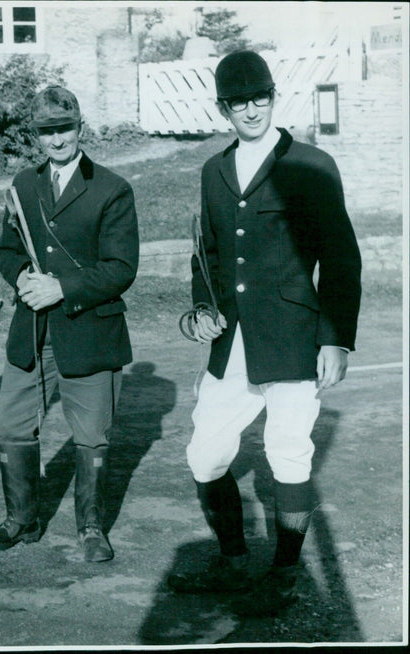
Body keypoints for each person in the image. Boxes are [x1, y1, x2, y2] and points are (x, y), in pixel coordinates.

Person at [167, 51, 362, 616]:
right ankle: (231, 559)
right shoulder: (213, 171)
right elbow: (206, 255)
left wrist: (336, 338)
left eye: (260, 98)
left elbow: (340, 257)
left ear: (273, 99)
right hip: (233, 342)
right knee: (205, 455)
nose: (250, 110)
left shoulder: (311, 164)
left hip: (296, 338)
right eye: (238, 102)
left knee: (288, 454)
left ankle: (284, 573)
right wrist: (202, 305)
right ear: (222, 108)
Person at [0, 86, 139, 562]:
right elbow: (7, 249)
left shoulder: (112, 188)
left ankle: (91, 527)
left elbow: (121, 267)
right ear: (37, 136)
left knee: (90, 434)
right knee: (10, 423)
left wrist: (63, 288)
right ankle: (21, 520)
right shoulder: (23, 186)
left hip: (88, 329)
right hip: (33, 328)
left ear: (80, 128)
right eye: (46, 131)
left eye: (64, 128)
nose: (56, 139)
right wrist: (22, 275)